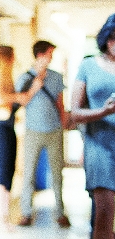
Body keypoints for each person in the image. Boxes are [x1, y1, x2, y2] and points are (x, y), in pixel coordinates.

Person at [15, 40, 70, 228]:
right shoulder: (25, 78)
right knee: (29, 173)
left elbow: (60, 103)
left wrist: (64, 123)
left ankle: (60, 213)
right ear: (40, 55)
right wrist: (34, 87)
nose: (51, 57)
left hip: (54, 130)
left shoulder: (56, 77)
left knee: (57, 174)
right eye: (49, 54)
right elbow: (21, 101)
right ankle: (26, 213)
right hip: (33, 131)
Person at [70, 14, 115, 239]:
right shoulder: (88, 66)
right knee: (104, 213)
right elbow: (75, 113)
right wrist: (104, 111)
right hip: (99, 146)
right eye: (113, 37)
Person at [0, 45, 44, 230]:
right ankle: (0, 216)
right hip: (1, 126)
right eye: (12, 56)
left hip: (8, 125)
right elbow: (0, 98)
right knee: (3, 170)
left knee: (9, 170)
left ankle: (2, 215)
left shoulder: (7, 77)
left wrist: (25, 94)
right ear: (7, 58)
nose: (14, 60)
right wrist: (21, 95)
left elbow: (19, 100)